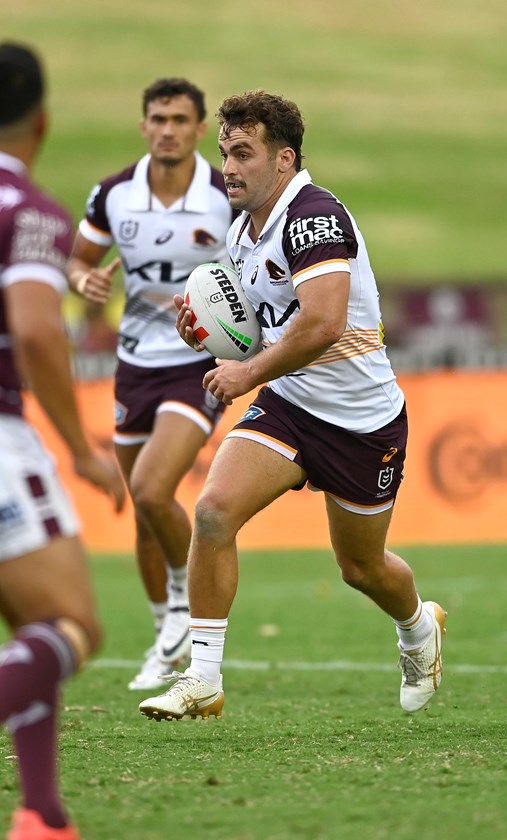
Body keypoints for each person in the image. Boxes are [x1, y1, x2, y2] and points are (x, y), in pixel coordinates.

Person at [138, 90, 446, 723]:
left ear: (284, 159)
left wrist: (247, 370)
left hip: (361, 420)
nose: (228, 165)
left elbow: (323, 323)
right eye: (224, 151)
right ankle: (202, 678)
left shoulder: (314, 216)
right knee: (215, 511)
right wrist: (204, 325)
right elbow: (255, 323)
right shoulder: (243, 229)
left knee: (361, 568)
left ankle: (418, 628)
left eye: (243, 153)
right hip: (290, 406)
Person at [67, 78, 237, 691]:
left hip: (199, 365)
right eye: (157, 118)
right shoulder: (114, 195)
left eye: (180, 119)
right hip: (134, 364)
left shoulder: (225, 194)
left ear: (198, 130)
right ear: (144, 126)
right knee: (145, 509)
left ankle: (188, 610)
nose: (167, 129)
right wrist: (82, 282)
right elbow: (79, 260)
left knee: (150, 486)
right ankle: (166, 634)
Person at [0, 42, 126, 840]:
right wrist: (81, 448)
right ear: (42, 119)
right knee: (72, 623)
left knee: (29, 626)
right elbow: (38, 331)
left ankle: (43, 812)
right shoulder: (30, 212)